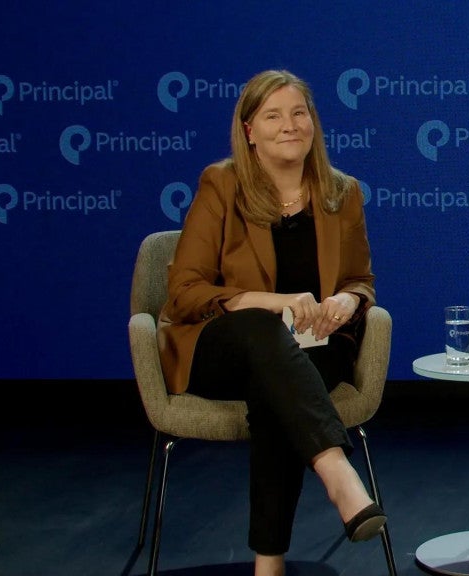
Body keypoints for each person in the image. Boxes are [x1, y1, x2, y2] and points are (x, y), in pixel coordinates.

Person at [158, 69, 386, 576]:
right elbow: (184, 292)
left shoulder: (342, 192)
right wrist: (271, 301)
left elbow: (361, 279)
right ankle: (337, 470)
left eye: (299, 113)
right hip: (224, 349)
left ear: (314, 123)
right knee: (265, 331)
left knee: (278, 387)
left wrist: (347, 300)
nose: (290, 125)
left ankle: (269, 564)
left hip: (311, 347)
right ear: (249, 131)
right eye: (273, 116)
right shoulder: (222, 184)